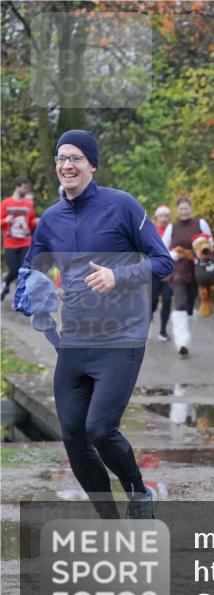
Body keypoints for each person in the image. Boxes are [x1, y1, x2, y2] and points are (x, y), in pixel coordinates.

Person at [13, 129, 173, 518]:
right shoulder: (50, 219)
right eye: (62, 159)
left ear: (92, 164)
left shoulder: (122, 206)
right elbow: (31, 268)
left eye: (76, 158)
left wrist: (118, 276)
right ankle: (111, 523)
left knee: (100, 429)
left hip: (122, 337)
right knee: (72, 434)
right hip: (75, 339)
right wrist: (28, 292)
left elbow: (163, 262)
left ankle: (139, 490)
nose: (67, 165)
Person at [161, 197, 211, 356]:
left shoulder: (200, 224)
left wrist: (203, 256)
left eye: (186, 208)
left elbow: (210, 245)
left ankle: (185, 338)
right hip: (178, 270)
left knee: (189, 306)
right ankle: (181, 342)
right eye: (181, 209)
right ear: (177, 210)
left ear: (191, 208)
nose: (184, 211)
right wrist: (173, 254)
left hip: (197, 270)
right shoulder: (172, 227)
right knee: (180, 304)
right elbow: (161, 248)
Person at [1, 177, 38, 301]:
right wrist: (5, 221)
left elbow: (31, 222)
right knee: (13, 271)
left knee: (24, 270)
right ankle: (4, 284)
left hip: (25, 242)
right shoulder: (5, 203)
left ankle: (21, 297)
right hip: (10, 243)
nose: (26, 190)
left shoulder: (28, 204)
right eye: (24, 187)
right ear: (17, 186)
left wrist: (36, 221)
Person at [149, 205, 173, 341]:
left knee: (167, 300)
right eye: (161, 216)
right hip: (153, 272)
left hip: (169, 274)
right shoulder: (150, 230)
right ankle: (148, 323)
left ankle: (163, 331)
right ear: (157, 217)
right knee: (152, 302)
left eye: (166, 216)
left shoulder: (172, 230)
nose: (163, 219)